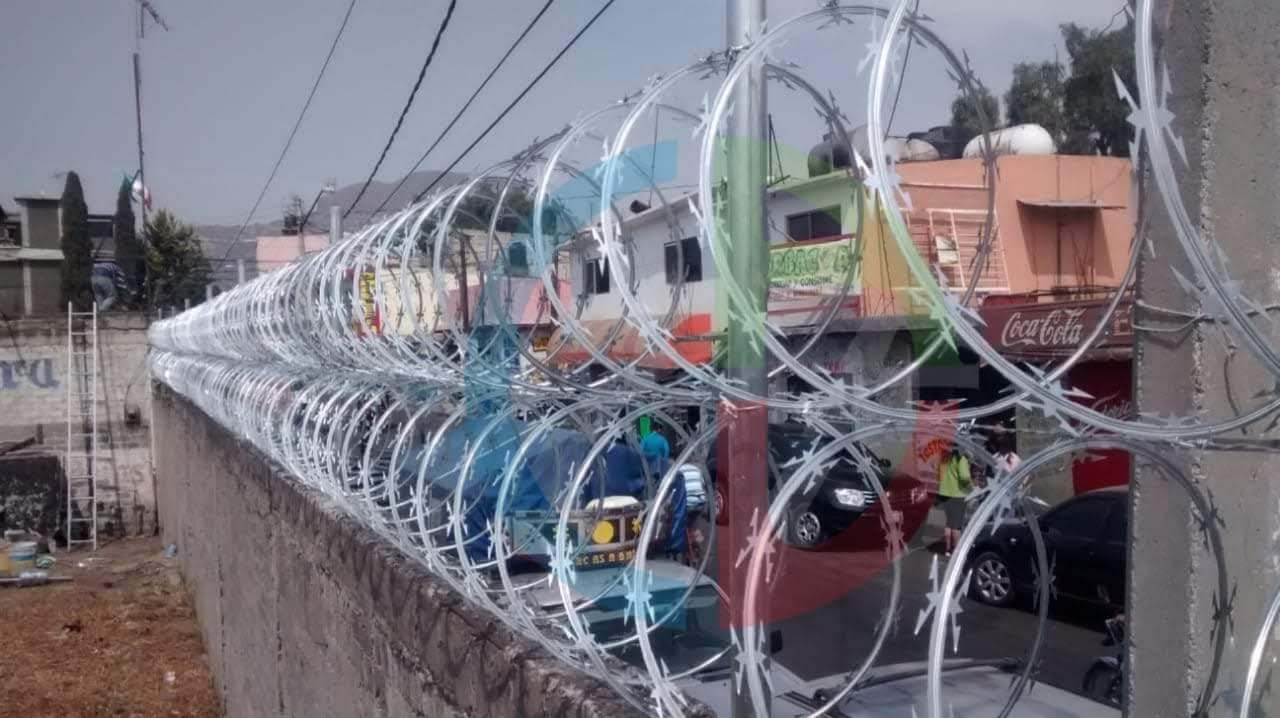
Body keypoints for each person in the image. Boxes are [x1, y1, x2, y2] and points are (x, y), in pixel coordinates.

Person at [936, 444, 972, 557]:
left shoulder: (943, 458)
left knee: (948, 524)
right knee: (956, 526)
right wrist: (972, 487)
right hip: (958, 494)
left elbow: (939, 475)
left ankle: (947, 549)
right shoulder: (961, 458)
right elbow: (964, 478)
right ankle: (956, 552)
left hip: (944, 493)